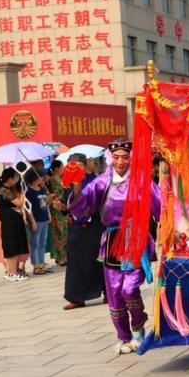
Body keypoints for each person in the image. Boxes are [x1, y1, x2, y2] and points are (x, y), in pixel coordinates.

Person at [68, 139, 161, 355]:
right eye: (116, 157)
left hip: (136, 239)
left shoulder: (142, 182)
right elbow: (82, 208)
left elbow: (161, 206)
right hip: (111, 240)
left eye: (125, 157)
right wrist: (77, 186)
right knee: (114, 294)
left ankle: (138, 328)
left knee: (129, 289)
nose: (121, 161)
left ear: (131, 158)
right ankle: (124, 336)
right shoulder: (102, 182)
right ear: (111, 158)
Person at [59, 153, 105, 310]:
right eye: (72, 166)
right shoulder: (67, 184)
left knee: (99, 260)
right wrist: (62, 207)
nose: (75, 169)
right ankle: (76, 297)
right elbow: (68, 207)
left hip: (94, 227)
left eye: (78, 166)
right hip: (76, 229)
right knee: (75, 262)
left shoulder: (95, 182)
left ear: (85, 166)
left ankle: (108, 292)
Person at [0, 168, 29, 282]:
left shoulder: (7, 189)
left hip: (13, 221)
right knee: (11, 247)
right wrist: (24, 193)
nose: (16, 179)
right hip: (9, 222)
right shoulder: (4, 190)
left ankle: (13, 272)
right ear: (9, 178)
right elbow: (19, 203)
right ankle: (12, 273)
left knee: (14, 247)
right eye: (15, 177)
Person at [24, 169, 51, 275]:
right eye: (40, 177)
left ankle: (41, 263)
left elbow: (44, 204)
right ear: (34, 178)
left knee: (43, 243)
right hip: (36, 220)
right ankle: (36, 265)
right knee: (35, 242)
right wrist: (33, 221)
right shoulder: (29, 192)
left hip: (44, 219)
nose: (42, 178)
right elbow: (28, 208)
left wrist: (49, 213)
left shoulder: (41, 189)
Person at [47, 160, 69, 265]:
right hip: (56, 209)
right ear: (56, 169)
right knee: (58, 233)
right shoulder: (52, 180)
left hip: (63, 207)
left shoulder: (62, 179)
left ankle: (64, 256)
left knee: (65, 232)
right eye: (62, 167)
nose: (63, 169)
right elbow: (55, 194)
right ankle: (60, 257)